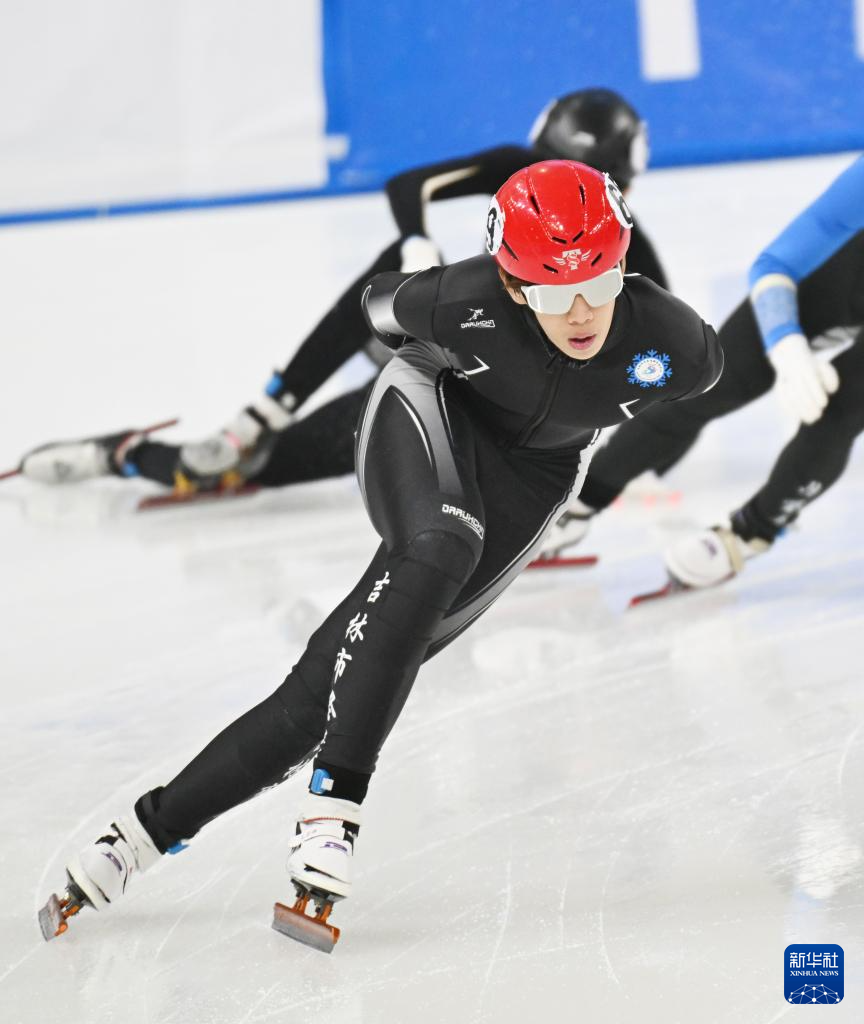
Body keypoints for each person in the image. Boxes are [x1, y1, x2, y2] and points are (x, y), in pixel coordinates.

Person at [39, 160, 721, 951]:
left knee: (330, 688)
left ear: (622, 263)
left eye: (599, 285)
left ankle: (137, 838)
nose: (579, 311)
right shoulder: (461, 300)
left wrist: (602, 484)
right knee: (442, 541)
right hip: (428, 406)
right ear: (508, 285)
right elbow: (374, 309)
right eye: (548, 288)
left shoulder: (677, 345)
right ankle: (334, 813)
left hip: (532, 478)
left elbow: (695, 398)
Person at [17, 90, 668, 497]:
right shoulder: (536, 185)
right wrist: (417, 241)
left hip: (470, 381)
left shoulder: (629, 255)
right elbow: (408, 188)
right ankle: (268, 410)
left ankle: (145, 454)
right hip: (445, 342)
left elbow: (656, 366)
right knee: (402, 269)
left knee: (245, 470)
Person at [541, 154, 864, 588]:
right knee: (712, 381)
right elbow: (776, 264)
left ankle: (750, 533)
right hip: (848, 277)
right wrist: (785, 342)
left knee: (841, 409)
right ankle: (582, 502)